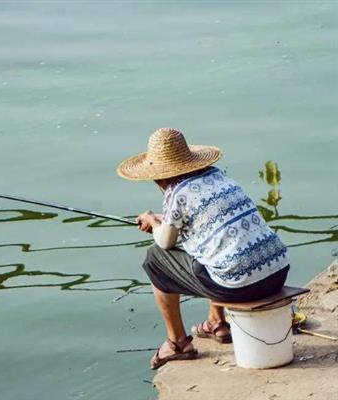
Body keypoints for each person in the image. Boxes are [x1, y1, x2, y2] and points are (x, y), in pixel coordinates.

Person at [116, 128, 290, 369]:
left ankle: (177, 343)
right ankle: (216, 323)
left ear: (160, 177)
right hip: (277, 274)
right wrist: (161, 220)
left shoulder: (176, 192)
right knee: (215, 245)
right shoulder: (218, 176)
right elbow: (204, 224)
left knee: (155, 259)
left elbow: (165, 242)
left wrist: (154, 222)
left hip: (241, 287)